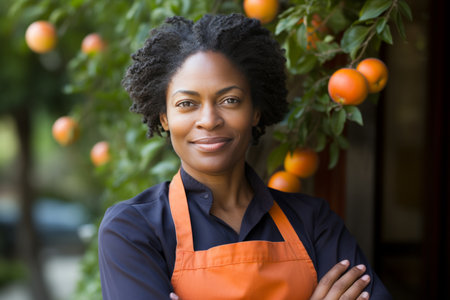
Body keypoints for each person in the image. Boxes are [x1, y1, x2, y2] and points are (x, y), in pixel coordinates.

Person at [98, 13, 392, 300]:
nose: (209, 120)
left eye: (230, 100)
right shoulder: (132, 229)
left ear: (255, 112)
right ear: (164, 118)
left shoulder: (314, 221)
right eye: (187, 103)